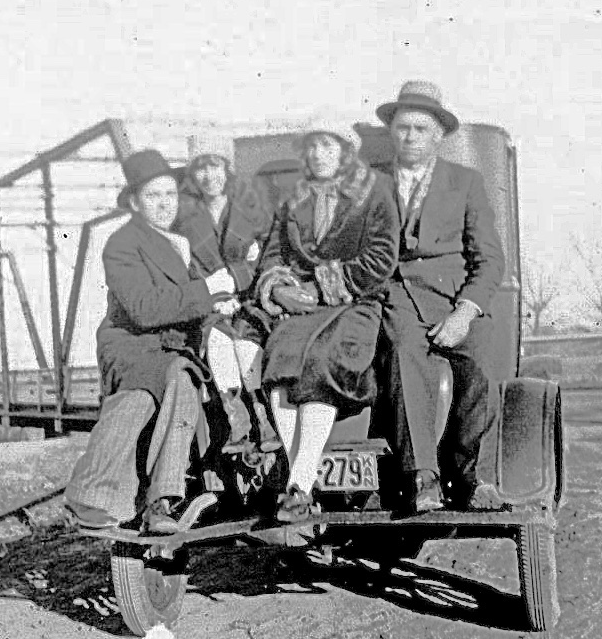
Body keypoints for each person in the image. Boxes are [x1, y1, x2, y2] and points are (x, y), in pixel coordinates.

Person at [63, 149, 236, 535]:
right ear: (135, 203)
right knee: (154, 388)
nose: (164, 204)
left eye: (170, 194)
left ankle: (160, 501)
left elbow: (195, 301)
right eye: (153, 196)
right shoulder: (123, 244)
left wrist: (221, 303)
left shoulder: (181, 241)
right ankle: (105, 495)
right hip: (132, 344)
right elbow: (144, 308)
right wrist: (207, 291)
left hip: (170, 348)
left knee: (184, 377)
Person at [371, 80, 507, 512]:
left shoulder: (464, 182)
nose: (410, 137)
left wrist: (464, 314)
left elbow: (490, 259)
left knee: (482, 364)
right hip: (397, 296)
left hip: (454, 298)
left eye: (421, 129)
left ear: (438, 136)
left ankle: (468, 476)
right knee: (403, 356)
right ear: (391, 132)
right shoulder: (370, 182)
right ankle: (423, 478)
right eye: (403, 128)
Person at [255, 121, 400, 522]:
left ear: (345, 151)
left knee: (321, 361)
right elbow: (274, 254)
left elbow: (381, 260)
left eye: (328, 145)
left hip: (356, 303)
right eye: (313, 146)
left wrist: (320, 287)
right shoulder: (294, 197)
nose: (319, 154)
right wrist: (278, 289)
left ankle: (300, 484)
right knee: (280, 362)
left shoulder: (375, 191)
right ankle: (299, 481)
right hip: (303, 306)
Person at [175, 140, 280, 454]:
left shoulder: (250, 206)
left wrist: (237, 279)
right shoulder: (185, 216)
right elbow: (188, 266)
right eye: (201, 167)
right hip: (212, 304)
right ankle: (239, 423)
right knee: (219, 344)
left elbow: (266, 255)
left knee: (246, 346)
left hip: (250, 300)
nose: (209, 176)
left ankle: (265, 420)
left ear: (227, 168)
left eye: (215, 165)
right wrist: (215, 296)